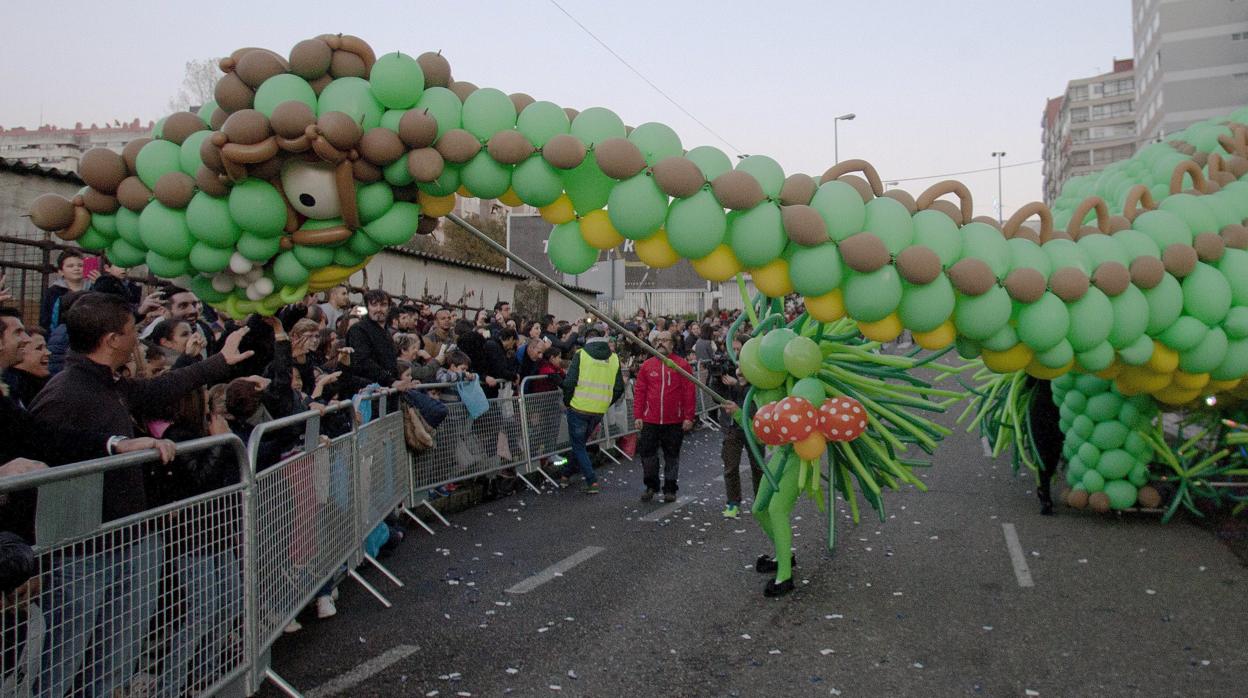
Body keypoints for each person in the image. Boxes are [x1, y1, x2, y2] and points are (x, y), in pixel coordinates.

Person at [633, 330, 696, 502]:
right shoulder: (647, 365)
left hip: (674, 420)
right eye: (658, 340)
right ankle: (651, 485)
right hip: (650, 419)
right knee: (647, 454)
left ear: (672, 344)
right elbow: (640, 392)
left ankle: (670, 488)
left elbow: (689, 392)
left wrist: (688, 417)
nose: (661, 343)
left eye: (665, 340)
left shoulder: (682, 365)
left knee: (672, 455)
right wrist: (638, 415)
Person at [559, 329, 624, 494]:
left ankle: (591, 480)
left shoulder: (581, 355)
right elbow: (619, 388)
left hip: (579, 408)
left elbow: (569, 382)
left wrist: (567, 402)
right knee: (579, 444)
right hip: (598, 410)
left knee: (578, 445)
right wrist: (605, 402)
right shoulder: (614, 358)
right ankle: (565, 475)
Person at [715, 334, 763, 518]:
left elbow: (755, 396)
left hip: (754, 425)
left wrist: (738, 385)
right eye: (733, 349)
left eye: (739, 349)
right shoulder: (730, 367)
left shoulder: (757, 367)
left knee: (758, 467)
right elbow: (717, 397)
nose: (736, 353)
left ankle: (760, 501)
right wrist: (717, 378)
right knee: (730, 466)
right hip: (732, 427)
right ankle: (733, 503)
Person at [347, 289, 401, 387]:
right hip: (368, 391)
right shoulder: (358, 330)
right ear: (368, 307)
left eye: (383, 305)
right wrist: (391, 381)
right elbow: (363, 362)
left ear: (389, 308)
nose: (378, 309)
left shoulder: (386, 332)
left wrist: (398, 381)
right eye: (374, 305)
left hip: (386, 390)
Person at [39, 250, 86, 331]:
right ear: (61, 272)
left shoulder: (92, 289)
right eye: (70, 266)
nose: (76, 268)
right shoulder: (53, 292)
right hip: (60, 336)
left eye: (80, 265)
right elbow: (45, 318)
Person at [3, 327, 49, 409]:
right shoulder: (12, 392)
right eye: (39, 348)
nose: (48, 352)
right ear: (20, 352)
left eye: (46, 347)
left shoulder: (50, 385)